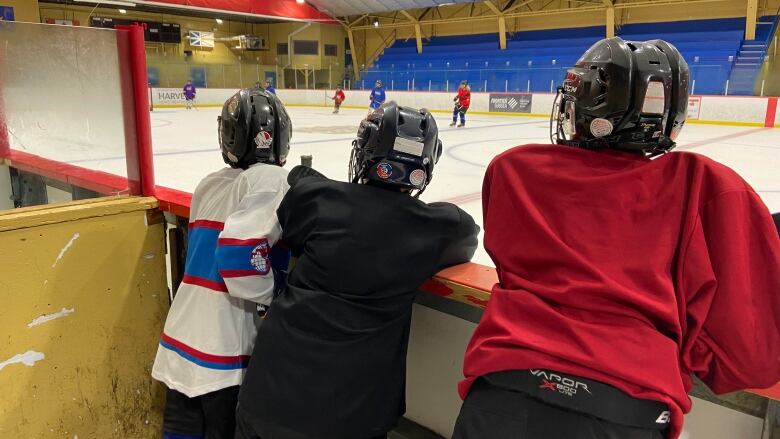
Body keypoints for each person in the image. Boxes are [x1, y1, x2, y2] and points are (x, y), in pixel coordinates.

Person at [454, 38, 780, 439]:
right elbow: (750, 358)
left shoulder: (512, 171)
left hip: (500, 392)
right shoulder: (709, 186)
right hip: (628, 408)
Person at [234, 102, 480, 439]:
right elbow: (466, 236)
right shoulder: (437, 228)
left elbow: (297, 212)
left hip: (269, 397)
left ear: (364, 153)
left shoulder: (316, 198)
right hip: (354, 416)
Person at [152, 88, 293, 439]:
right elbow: (236, 259)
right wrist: (275, 291)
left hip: (182, 339)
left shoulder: (208, 185)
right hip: (222, 351)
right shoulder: (271, 179)